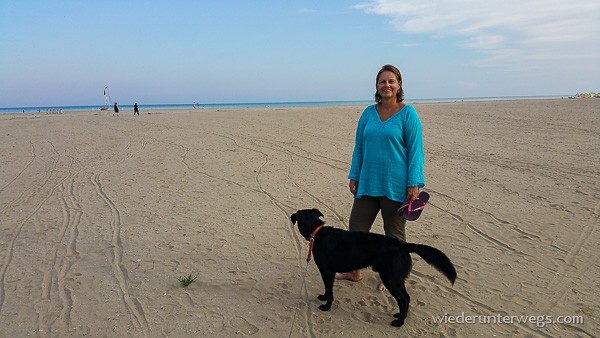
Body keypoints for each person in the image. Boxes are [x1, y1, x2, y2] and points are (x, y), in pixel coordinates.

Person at [337, 64, 425, 291]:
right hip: (368, 181)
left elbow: (416, 151)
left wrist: (413, 183)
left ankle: (392, 276)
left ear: (399, 85)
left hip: (396, 185)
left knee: (394, 235)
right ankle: (355, 271)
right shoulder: (368, 113)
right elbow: (359, 147)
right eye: (382, 81)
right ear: (377, 86)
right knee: (356, 230)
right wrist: (354, 175)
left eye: (391, 81)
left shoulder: (408, 114)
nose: (387, 85)